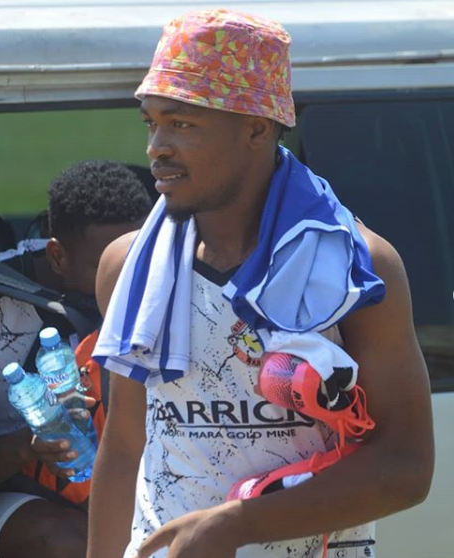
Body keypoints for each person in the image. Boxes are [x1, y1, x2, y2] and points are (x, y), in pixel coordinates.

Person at [87, 10, 434, 558]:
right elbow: (128, 443)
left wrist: (238, 525)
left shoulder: (357, 270)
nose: (156, 146)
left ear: (256, 127)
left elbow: (406, 466)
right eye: (150, 122)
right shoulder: (129, 266)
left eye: (182, 124)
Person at [0, 160, 153, 558]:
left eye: (139, 262)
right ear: (57, 255)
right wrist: (28, 448)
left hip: (123, 474)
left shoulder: (160, 283)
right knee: (72, 543)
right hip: (10, 490)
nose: (128, 280)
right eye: (106, 265)